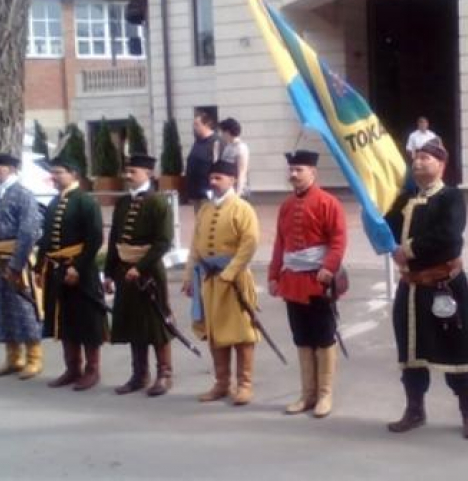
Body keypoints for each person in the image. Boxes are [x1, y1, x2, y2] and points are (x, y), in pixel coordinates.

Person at [384, 138, 468, 439]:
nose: (418, 163)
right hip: (411, 288)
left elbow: (450, 238)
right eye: (415, 158)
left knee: (457, 351)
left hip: (444, 287)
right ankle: (415, 411)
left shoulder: (451, 198)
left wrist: (409, 249)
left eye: (426, 158)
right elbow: (386, 227)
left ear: (441, 164)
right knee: (411, 352)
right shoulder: (404, 200)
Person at [268, 150, 347, 418]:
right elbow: (280, 243)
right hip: (292, 282)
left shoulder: (329, 203)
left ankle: (325, 394)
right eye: (291, 169)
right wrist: (273, 275)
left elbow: (338, 239)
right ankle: (307, 393)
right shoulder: (286, 206)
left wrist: (329, 267)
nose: (293, 174)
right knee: (301, 338)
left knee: (323, 338)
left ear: (313, 172)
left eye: (299, 169)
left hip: (318, 282)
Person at [181, 160, 260, 406]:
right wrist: (188, 275)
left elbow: (250, 243)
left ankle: (245, 385)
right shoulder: (205, 209)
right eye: (212, 177)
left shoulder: (242, 208)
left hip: (234, 282)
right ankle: (222, 383)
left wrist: (231, 272)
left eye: (219, 178)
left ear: (232, 180)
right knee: (215, 334)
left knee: (242, 334)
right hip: (210, 281)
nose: (213, 182)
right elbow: (195, 245)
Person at [104, 154, 175, 397]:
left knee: (156, 322)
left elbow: (163, 242)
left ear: (148, 174)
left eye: (133, 171)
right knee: (134, 323)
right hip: (124, 272)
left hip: (149, 272)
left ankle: (164, 374)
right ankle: (139, 375)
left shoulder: (158, 203)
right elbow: (115, 239)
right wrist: (109, 274)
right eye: (127, 171)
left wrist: (141, 267)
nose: (128, 175)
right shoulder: (123, 203)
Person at [36, 156, 106, 391]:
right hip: (56, 269)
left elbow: (95, 238)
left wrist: (78, 266)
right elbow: (46, 238)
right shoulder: (55, 202)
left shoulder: (85, 201)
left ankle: (92, 370)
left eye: (59, 173)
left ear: (73, 174)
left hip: (81, 270)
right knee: (64, 319)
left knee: (87, 320)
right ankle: (72, 368)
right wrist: (39, 267)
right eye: (52, 173)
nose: (54, 177)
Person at [0, 153, 44, 380]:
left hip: (16, 259)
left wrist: (17, 263)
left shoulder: (24, 195)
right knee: (1, 307)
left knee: (24, 308)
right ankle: (13, 357)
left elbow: (28, 230)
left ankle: (34, 357)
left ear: (12, 169)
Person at [186, 110, 222, 212]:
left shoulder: (216, 142)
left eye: (197, 124)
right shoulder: (197, 141)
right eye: (194, 125)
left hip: (208, 191)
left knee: (207, 219)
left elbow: (218, 166)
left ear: (206, 125)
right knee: (199, 221)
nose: (194, 128)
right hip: (196, 191)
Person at [218, 117, 250, 199]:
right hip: (227, 189)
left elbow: (242, 172)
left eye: (222, 132)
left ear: (228, 132)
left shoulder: (241, 148)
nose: (221, 135)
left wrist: (237, 195)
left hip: (238, 191)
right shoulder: (228, 146)